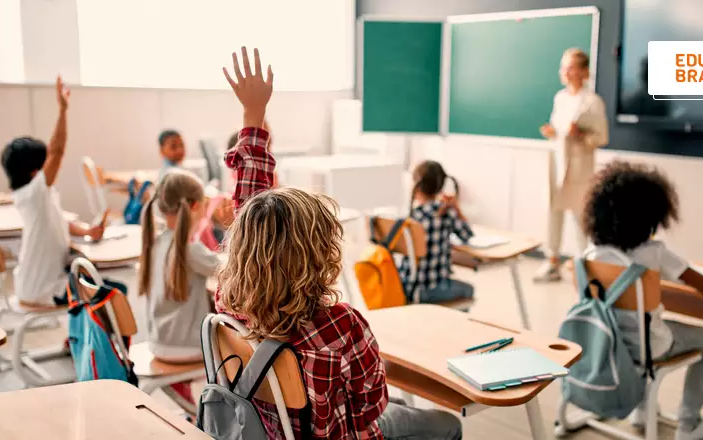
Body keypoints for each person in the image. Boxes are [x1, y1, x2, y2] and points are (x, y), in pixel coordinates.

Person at [214, 46, 462, 440]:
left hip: (267, 430)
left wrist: (253, 117)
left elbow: (253, 210)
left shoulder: (231, 301)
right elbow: (371, 408)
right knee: (448, 424)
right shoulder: (341, 325)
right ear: (321, 256)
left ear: (243, 250)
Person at [582, 160, 703, 440]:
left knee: (642, 325)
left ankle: (643, 410)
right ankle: (689, 423)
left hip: (608, 341)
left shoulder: (594, 253)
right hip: (652, 347)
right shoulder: (654, 252)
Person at [0, 76, 107, 306]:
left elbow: (62, 221)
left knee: (101, 286)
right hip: (42, 289)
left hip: (37, 283)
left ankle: (79, 340)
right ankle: (83, 341)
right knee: (110, 294)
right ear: (34, 171)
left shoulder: (37, 197)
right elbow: (57, 151)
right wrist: (63, 110)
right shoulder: (34, 194)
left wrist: (89, 231)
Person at [138, 169, 222, 404]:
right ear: (196, 206)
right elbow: (229, 270)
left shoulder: (155, 242)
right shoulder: (190, 250)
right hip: (187, 349)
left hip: (158, 343)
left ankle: (184, 386)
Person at [534, 48, 609, 283]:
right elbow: (560, 131)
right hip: (557, 164)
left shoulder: (592, 101)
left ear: (584, 72)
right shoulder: (560, 98)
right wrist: (552, 133)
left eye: (570, 67)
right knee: (553, 212)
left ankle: (588, 265)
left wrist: (580, 136)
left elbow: (601, 137)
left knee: (581, 217)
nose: (565, 72)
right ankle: (552, 260)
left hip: (578, 167)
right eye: (563, 66)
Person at [398, 160, 474, 304]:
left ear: (416, 186)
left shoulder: (409, 217)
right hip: (432, 290)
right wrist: (457, 208)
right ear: (441, 186)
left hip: (406, 287)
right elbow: (467, 235)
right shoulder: (445, 212)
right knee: (469, 290)